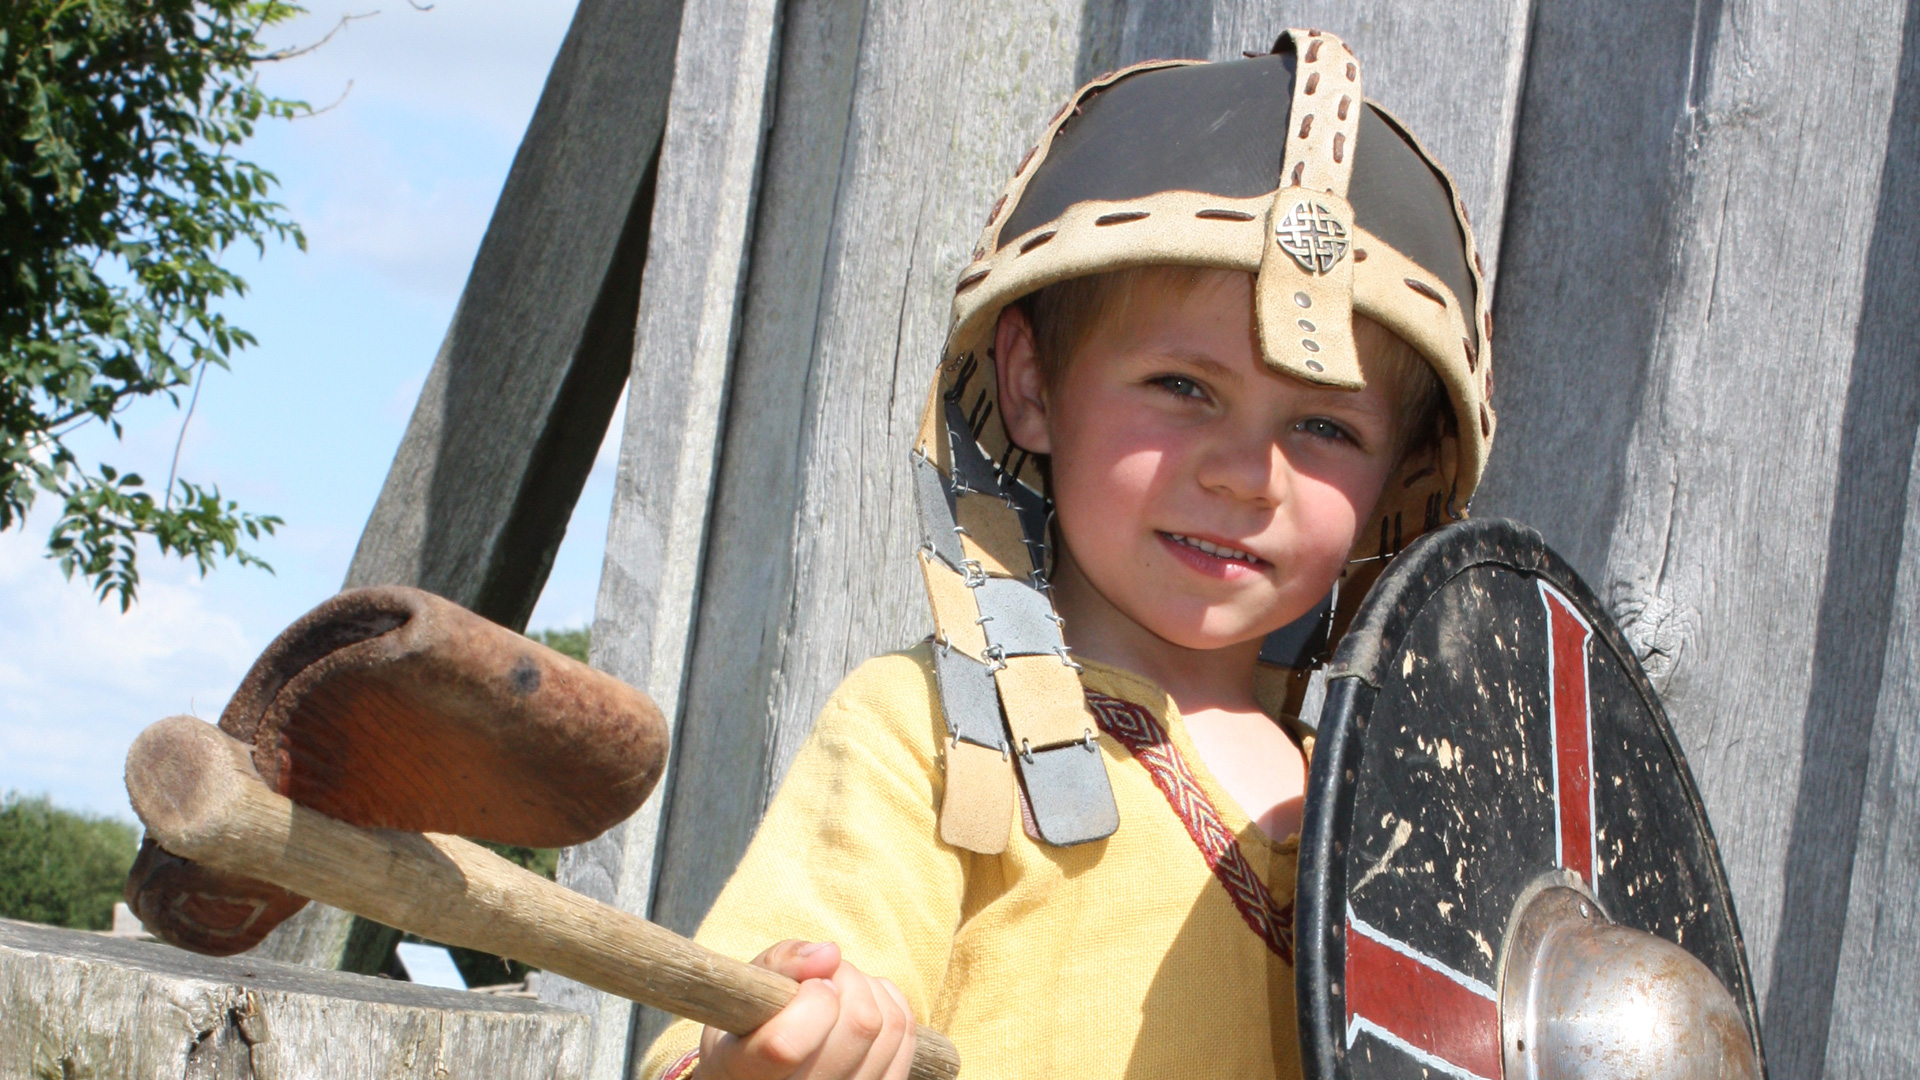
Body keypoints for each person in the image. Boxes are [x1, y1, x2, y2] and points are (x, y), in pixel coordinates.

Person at [640, 28, 1495, 1080]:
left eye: (1326, 430)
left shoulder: (1394, 836)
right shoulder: (926, 737)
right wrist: (778, 1052)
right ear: (1034, 385)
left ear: (1391, 494)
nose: (1247, 474)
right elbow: (730, 1032)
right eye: (1184, 387)